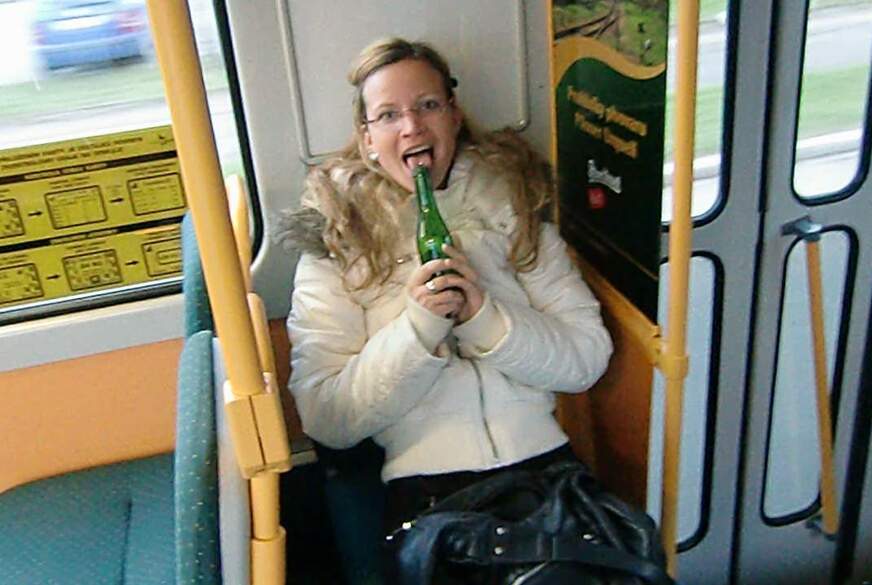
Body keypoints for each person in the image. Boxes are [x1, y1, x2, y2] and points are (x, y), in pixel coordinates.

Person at [279, 36, 613, 578]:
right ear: (367, 139)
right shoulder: (335, 244)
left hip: (549, 476)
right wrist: (418, 328)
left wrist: (485, 317)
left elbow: (586, 359)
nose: (411, 127)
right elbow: (326, 416)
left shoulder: (514, 207)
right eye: (389, 115)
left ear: (454, 117)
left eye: (427, 105)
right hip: (430, 498)